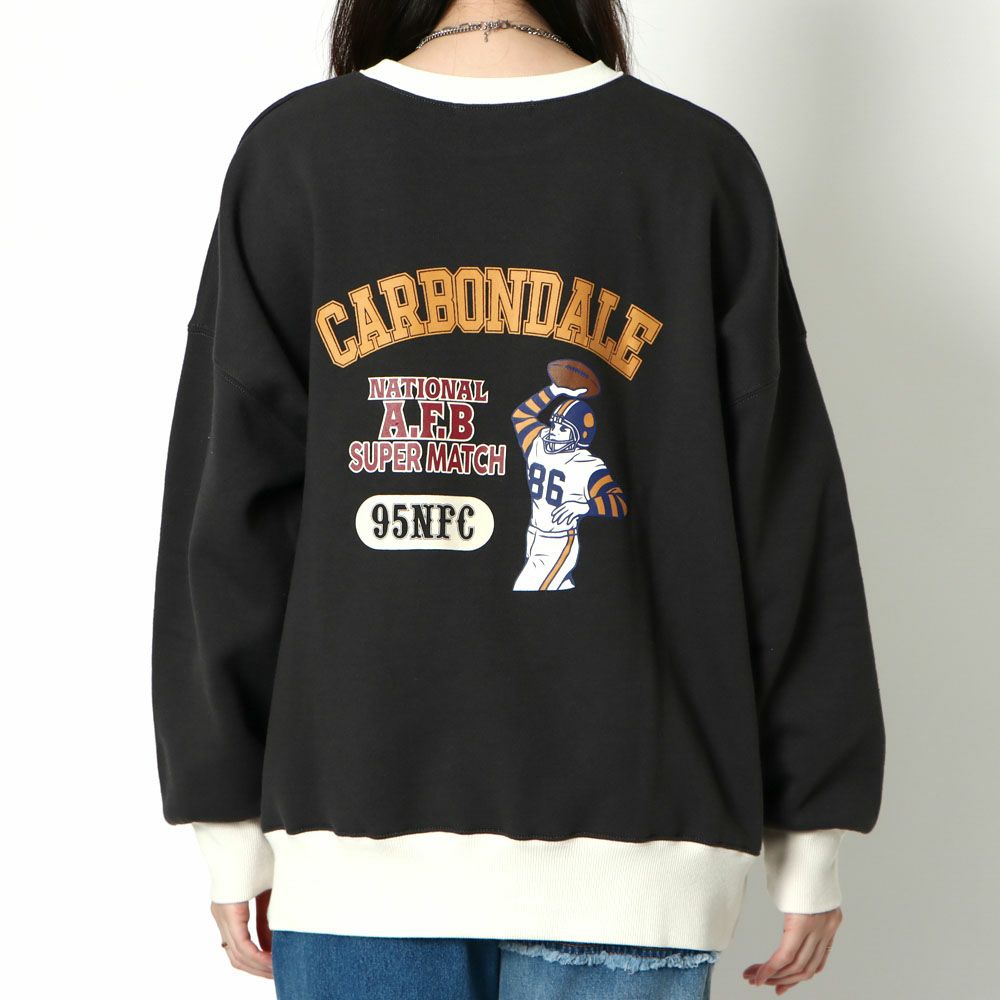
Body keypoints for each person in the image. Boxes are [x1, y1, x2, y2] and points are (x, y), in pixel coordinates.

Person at [150, 2, 886, 998]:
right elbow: (785, 517)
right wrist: (808, 835)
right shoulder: (691, 159)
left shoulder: (300, 152)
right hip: (639, 831)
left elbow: (228, 512)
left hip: (359, 828)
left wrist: (229, 824)